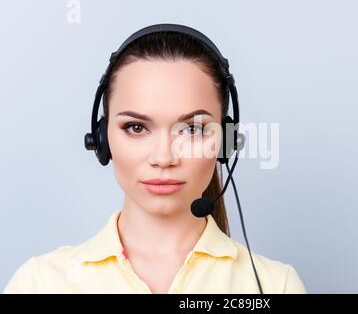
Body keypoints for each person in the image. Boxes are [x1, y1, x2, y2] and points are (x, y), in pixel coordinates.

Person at [3, 26, 306, 294]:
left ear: (225, 141)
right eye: (136, 128)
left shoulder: (274, 286)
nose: (164, 157)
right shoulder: (39, 284)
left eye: (192, 129)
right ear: (102, 138)